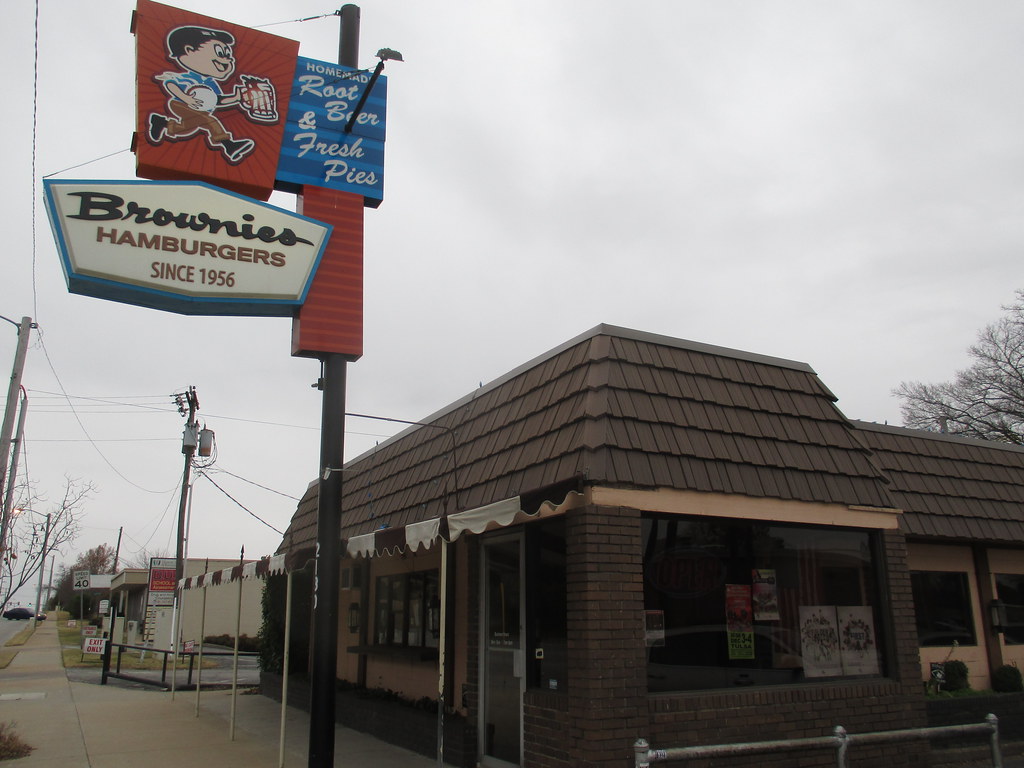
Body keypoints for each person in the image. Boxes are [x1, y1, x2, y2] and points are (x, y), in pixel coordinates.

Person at [147, 25, 263, 163]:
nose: (228, 60)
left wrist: (236, 98)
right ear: (189, 51)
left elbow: (218, 100)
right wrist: (186, 98)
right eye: (220, 53)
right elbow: (170, 84)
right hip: (179, 104)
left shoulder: (211, 83)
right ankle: (228, 145)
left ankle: (162, 123)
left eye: (228, 55)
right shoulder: (188, 77)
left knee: (186, 129)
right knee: (211, 121)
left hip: (198, 109)